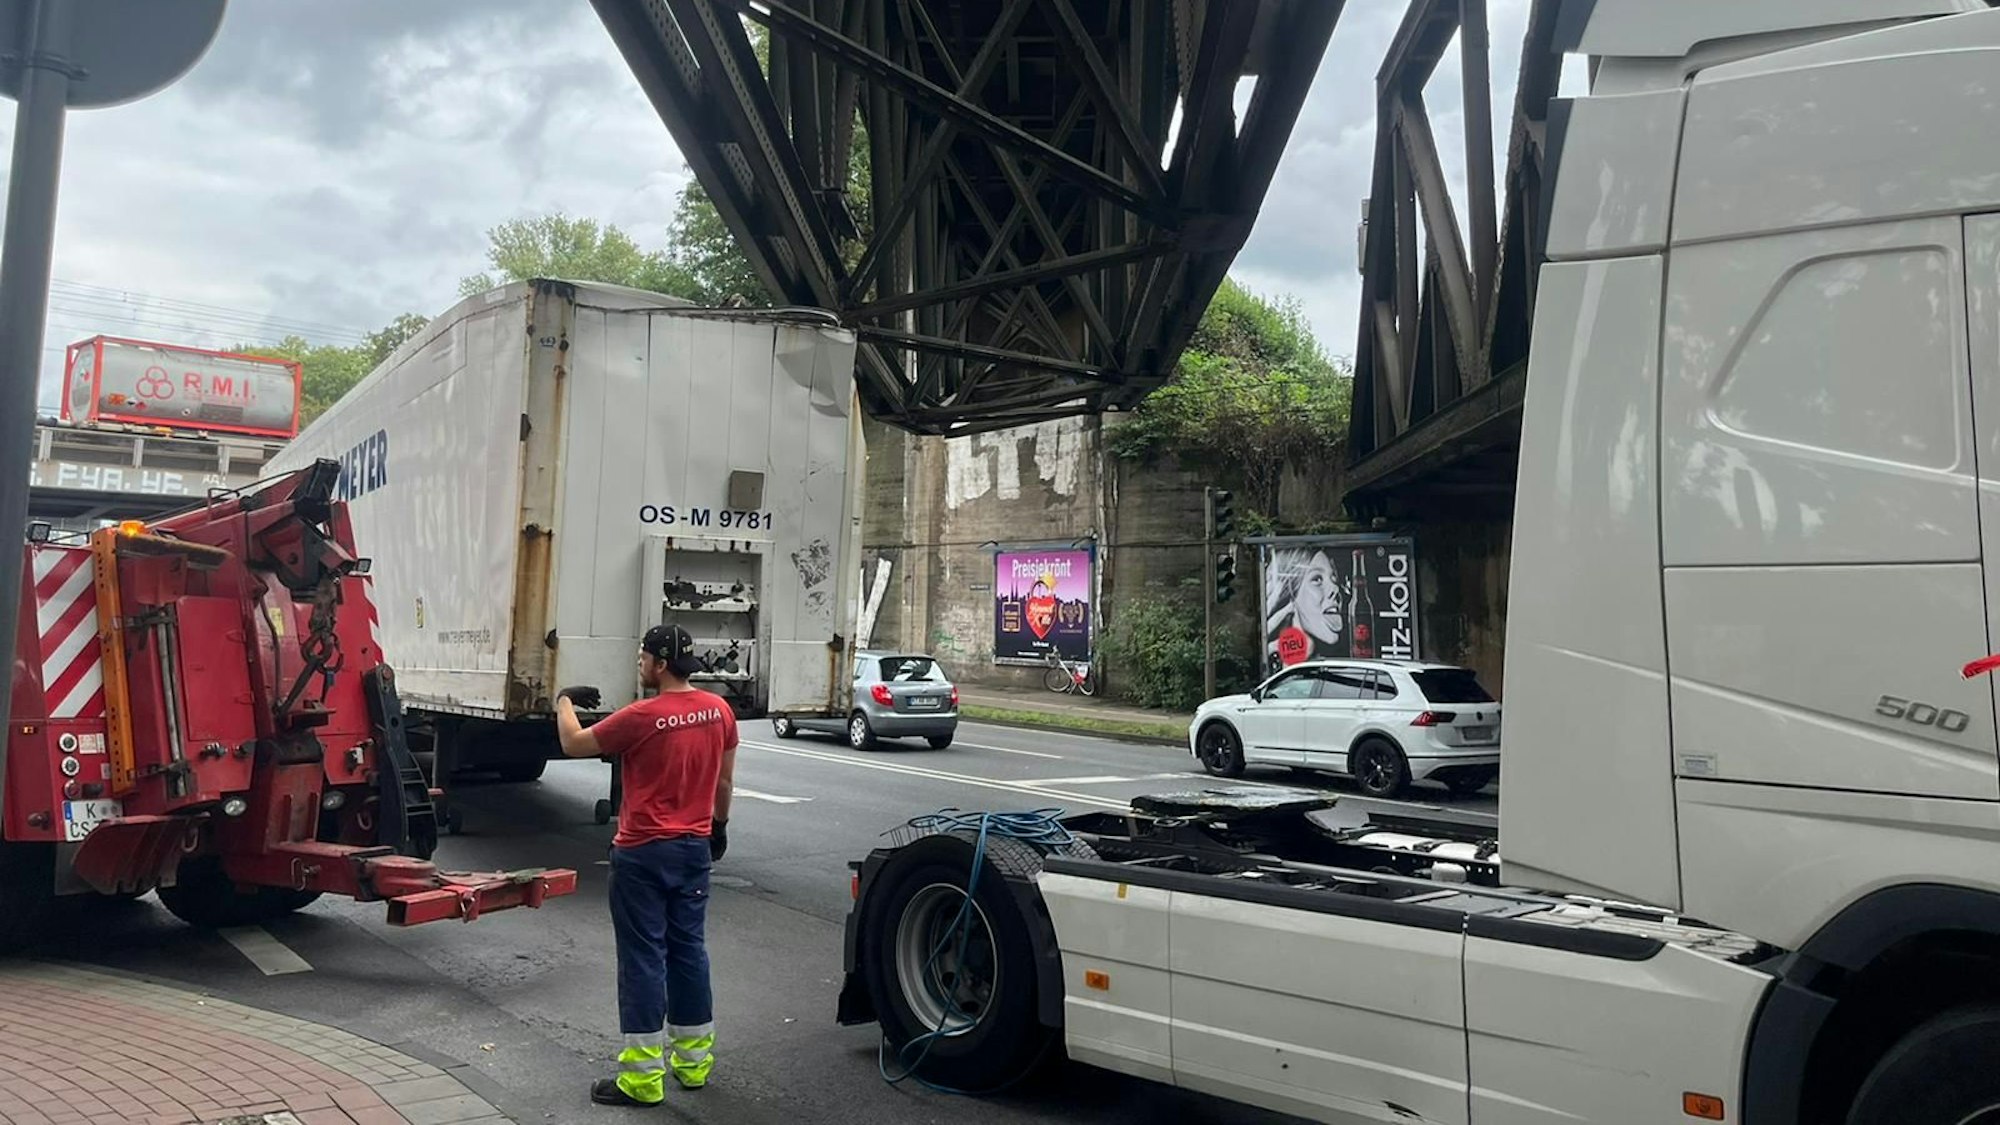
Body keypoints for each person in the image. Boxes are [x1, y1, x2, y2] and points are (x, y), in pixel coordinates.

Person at [555, 623, 737, 1107]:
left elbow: (574, 743)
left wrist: (564, 701)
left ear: (659, 663)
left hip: (641, 853)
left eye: (642, 656)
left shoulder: (641, 716)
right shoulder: (719, 712)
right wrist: (718, 828)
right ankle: (694, 1065)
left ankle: (641, 1079)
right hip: (693, 849)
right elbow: (723, 783)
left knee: (642, 959)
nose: (638, 663)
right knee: (689, 952)